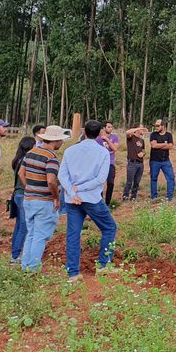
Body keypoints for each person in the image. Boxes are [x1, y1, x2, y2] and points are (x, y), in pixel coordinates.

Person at [59, 120, 119, 282]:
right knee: (109, 227)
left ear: (84, 132)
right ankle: (104, 265)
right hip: (92, 199)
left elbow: (62, 175)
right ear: (100, 133)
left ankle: (73, 273)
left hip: (72, 200)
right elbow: (100, 179)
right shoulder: (103, 152)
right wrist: (80, 189)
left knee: (73, 234)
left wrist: (73, 191)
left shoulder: (70, 150)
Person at [18, 125, 67, 271]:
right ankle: (33, 268)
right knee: (40, 236)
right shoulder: (51, 157)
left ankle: (25, 267)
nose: (61, 143)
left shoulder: (30, 153)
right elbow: (51, 181)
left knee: (31, 234)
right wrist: (56, 197)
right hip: (44, 201)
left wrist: (29, 187)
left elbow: (21, 173)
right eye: (61, 140)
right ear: (56, 140)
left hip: (29, 199)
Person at [8, 136, 37, 263]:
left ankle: (15, 253)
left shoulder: (18, 159)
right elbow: (22, 175)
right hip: (23, 195)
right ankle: (16, 256)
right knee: (24, 227)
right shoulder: (27, 160)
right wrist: (29, 188)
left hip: (17, 195)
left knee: (19, 225)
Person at [148, 119, 175, 201]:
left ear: (163, 126)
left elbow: (171, 146)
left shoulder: (169, 135)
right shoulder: (153, 134)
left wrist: (159, 145)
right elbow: (154, 146)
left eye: (158, 126)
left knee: (171, 177)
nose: (156, 127)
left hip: (165, 160)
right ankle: (154, 197)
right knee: (154, 178)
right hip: (154, 160)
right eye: (155, 126)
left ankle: (169, 197)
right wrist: (165, 144)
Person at [96, 120, 120, 206]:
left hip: (110, 163)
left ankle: (108, 203)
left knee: (110, 183)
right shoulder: (98, 139)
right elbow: (97, 151)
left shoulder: (115, 137)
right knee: (99, 183)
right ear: (104, 128)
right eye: (109, 127)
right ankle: (100, 202)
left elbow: (115, 149)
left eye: (111, 127)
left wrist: (107, 139)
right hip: (100, 164)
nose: (110, 128)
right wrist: (108, 152)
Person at [122, 124, 146, 201]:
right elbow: (127, 132)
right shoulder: (131, 137)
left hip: (140, 163)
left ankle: (133, 197)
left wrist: (143, 154)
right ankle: (125, 197)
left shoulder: (141, 140)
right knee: (129, 182)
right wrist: (137, 128)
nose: (142, 130)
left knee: (137, 182)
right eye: (141, 128)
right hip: (132, 163)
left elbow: (143, 150)